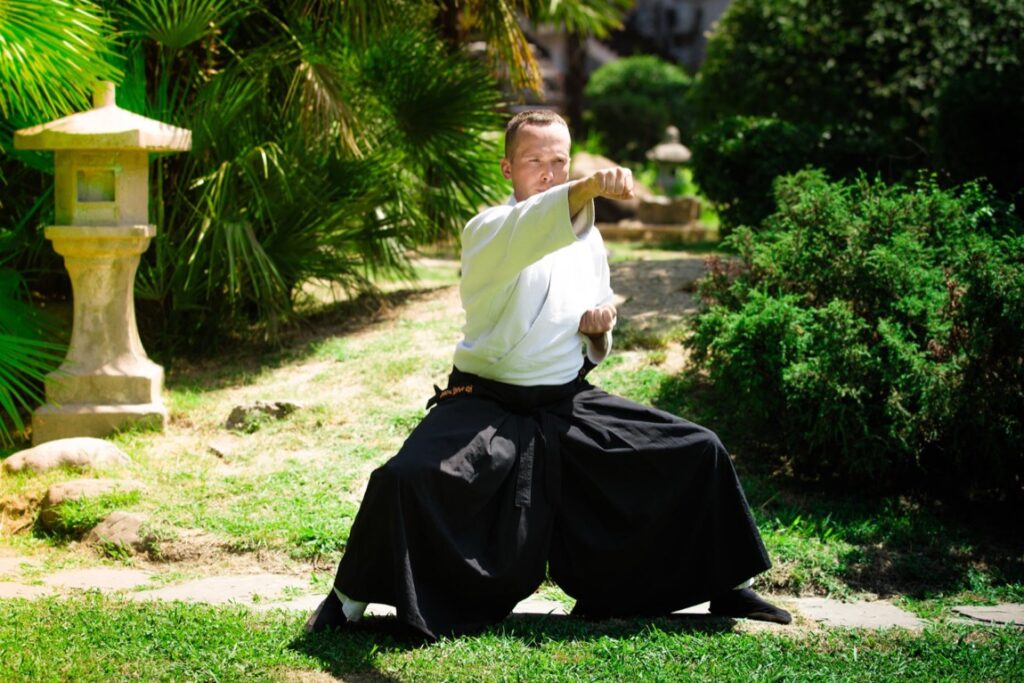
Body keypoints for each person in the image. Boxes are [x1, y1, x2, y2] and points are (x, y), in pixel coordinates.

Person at [306, 109, 790, 639]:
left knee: (697, 449)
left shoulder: (589, 240)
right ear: (507, 168)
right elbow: (533, 224)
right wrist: (586, 187)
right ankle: (347, 599)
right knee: (402, 477)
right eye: (534, 160)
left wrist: (599, 326)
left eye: (559, 161)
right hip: (484, 401)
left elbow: (596, 313)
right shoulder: (488, 229)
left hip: (566, 400)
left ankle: (724, 583)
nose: (549, 172)